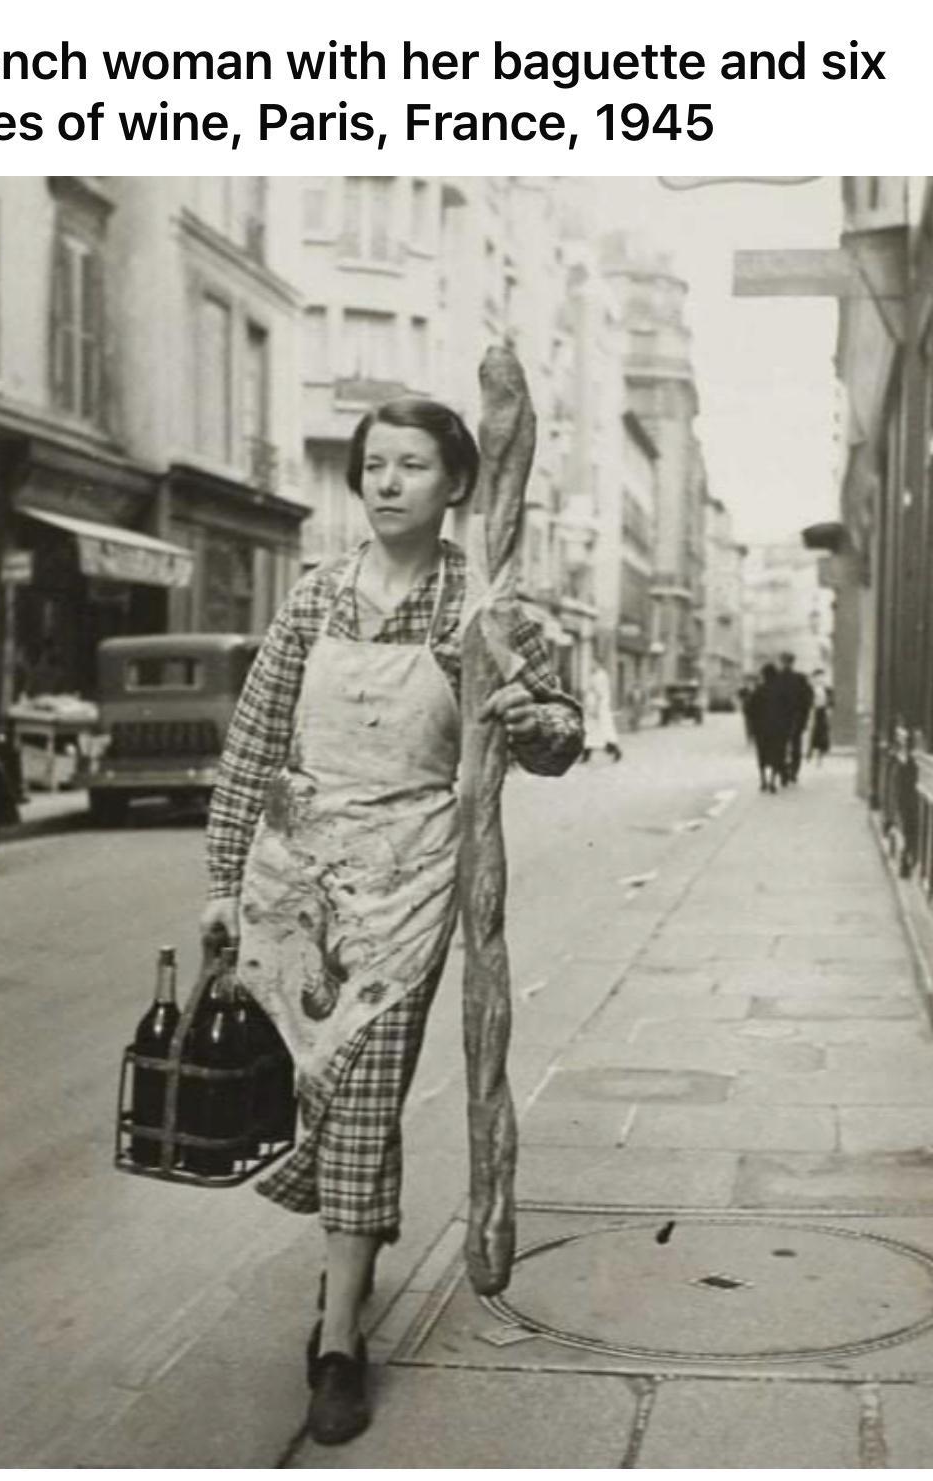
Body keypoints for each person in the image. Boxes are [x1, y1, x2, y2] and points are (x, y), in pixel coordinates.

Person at [200, 397, 583, 1445]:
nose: (386, 481)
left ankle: (336, 1344)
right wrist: (225, 879)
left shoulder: (489, 606)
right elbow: (253, 741)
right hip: (299, 887)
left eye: (412, 465)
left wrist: (530, 716)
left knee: (364, 1093)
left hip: (412, 887)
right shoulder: (315, 594)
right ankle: (350, 1261)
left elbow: (559, 740)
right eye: (374, 464)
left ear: (456, 481)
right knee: (318, 1096)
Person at [771, 651, 814, 785]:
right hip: (796, 717)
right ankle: (794, 772)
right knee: (795, 745)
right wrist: (805, 716)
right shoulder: (800, 678)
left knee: (780, 746)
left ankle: (783, 772)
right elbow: (808, 699)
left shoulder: (776, 678)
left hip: (781, 718)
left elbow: (770, 699)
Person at [744, 663, 788, 792]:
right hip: (778, 728)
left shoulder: (758, 691)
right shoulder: (781, 691)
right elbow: (787, 710)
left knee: (762, 754)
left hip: (761, 729)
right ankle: (773, 781)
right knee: (776, 754)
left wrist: (753, 726)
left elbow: (749, 709)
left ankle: (763, 780)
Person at [580, 660, 622, 762]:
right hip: (591, 707)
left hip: (598, 708)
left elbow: (600, 694)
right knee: (589, 730)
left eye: (594, 663)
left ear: (599, 664)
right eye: (591, 663)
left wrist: (596, 709)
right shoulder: (593, 675)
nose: (592, 665)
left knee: (603, 730)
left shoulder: (601, 676)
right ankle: (586, 754)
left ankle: (615, 750)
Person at [808, 668, 833, 762]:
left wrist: (829, 708)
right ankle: (810, 752)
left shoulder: (828, 689)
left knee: (822, 731)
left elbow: (831, 701)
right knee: (812, 730)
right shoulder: (810, 689)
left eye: (822, 677)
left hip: (823, 711)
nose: (820, 679)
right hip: (813, 710)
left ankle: (821, 752)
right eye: (818, 677)